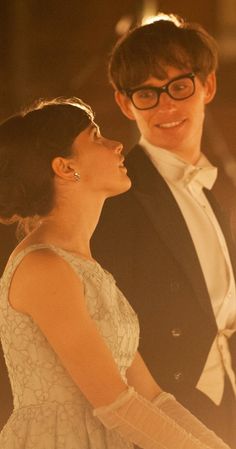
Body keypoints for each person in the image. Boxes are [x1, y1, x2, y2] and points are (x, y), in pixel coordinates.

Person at [0, 97, 230, 449]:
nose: (117, 144)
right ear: (65, 168)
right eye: (95, 137)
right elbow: (116, 403)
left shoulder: (87, 266)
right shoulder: (44, 268)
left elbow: (152, 396)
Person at [91, 13, 236, 449]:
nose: (166, 106)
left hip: (227, 395)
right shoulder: (116, 195)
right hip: (167, 410)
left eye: (178, 86)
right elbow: (106, 330)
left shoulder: (221, 184)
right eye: (146, 94)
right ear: (124, 104)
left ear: (206, 86)